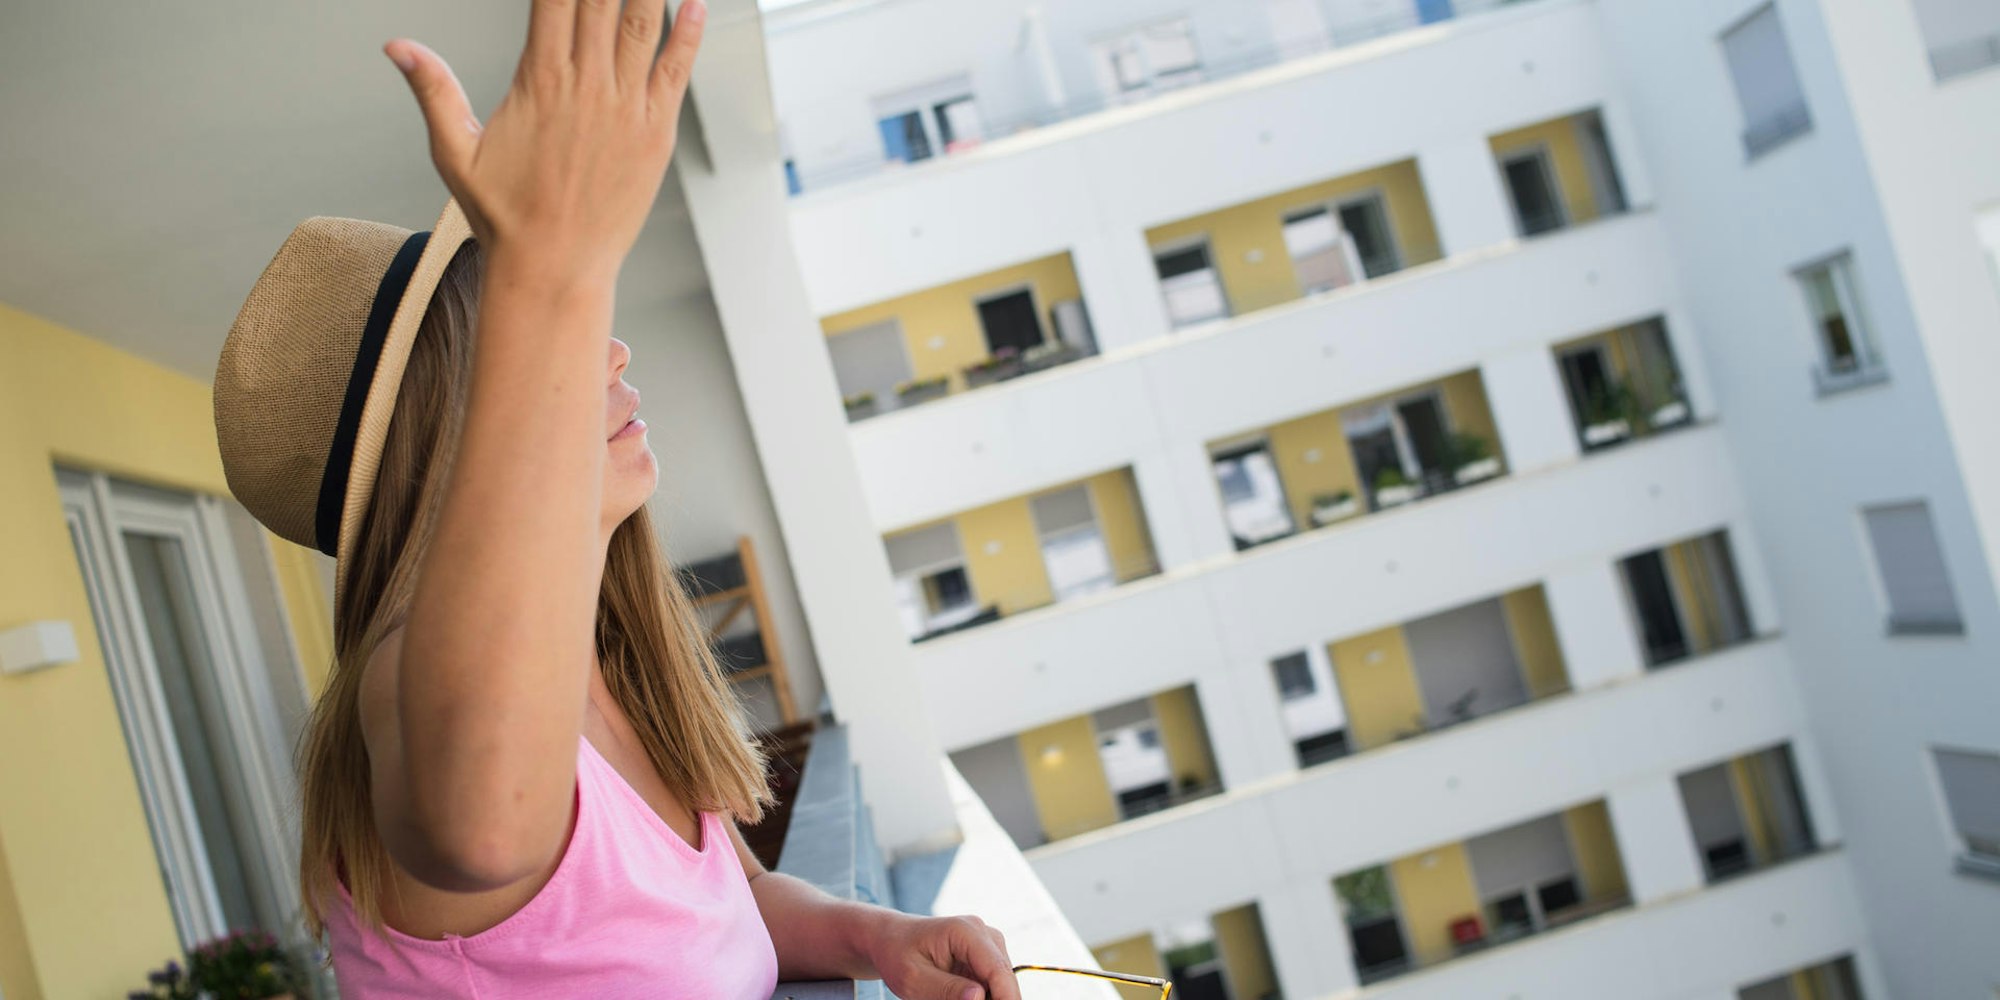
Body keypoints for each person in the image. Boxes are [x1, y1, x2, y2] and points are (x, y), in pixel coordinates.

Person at [210, 2, 1023, 997]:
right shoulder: (403, 683)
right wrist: (554, 270)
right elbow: (486, 822)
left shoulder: (603, 661)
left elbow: (726, 901)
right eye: (518, 345)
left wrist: (873, 935)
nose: (605, 349)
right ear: (452, 435)